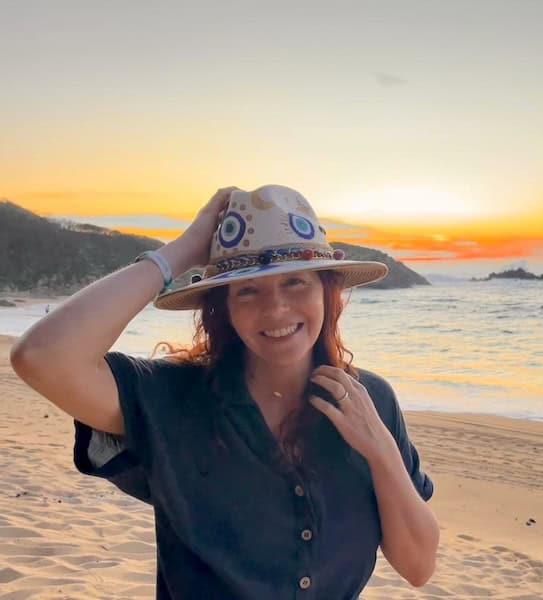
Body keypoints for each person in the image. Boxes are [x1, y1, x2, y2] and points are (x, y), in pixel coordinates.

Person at [10, 184, 439, 599]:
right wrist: (182, 250)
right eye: (248, 289)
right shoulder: (173, 399)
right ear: (224, 307)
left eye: (296, 283)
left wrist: (381, 448)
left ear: (328, 292)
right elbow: (42, 357)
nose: (276, 309)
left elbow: (418, 566)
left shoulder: (371, 401)